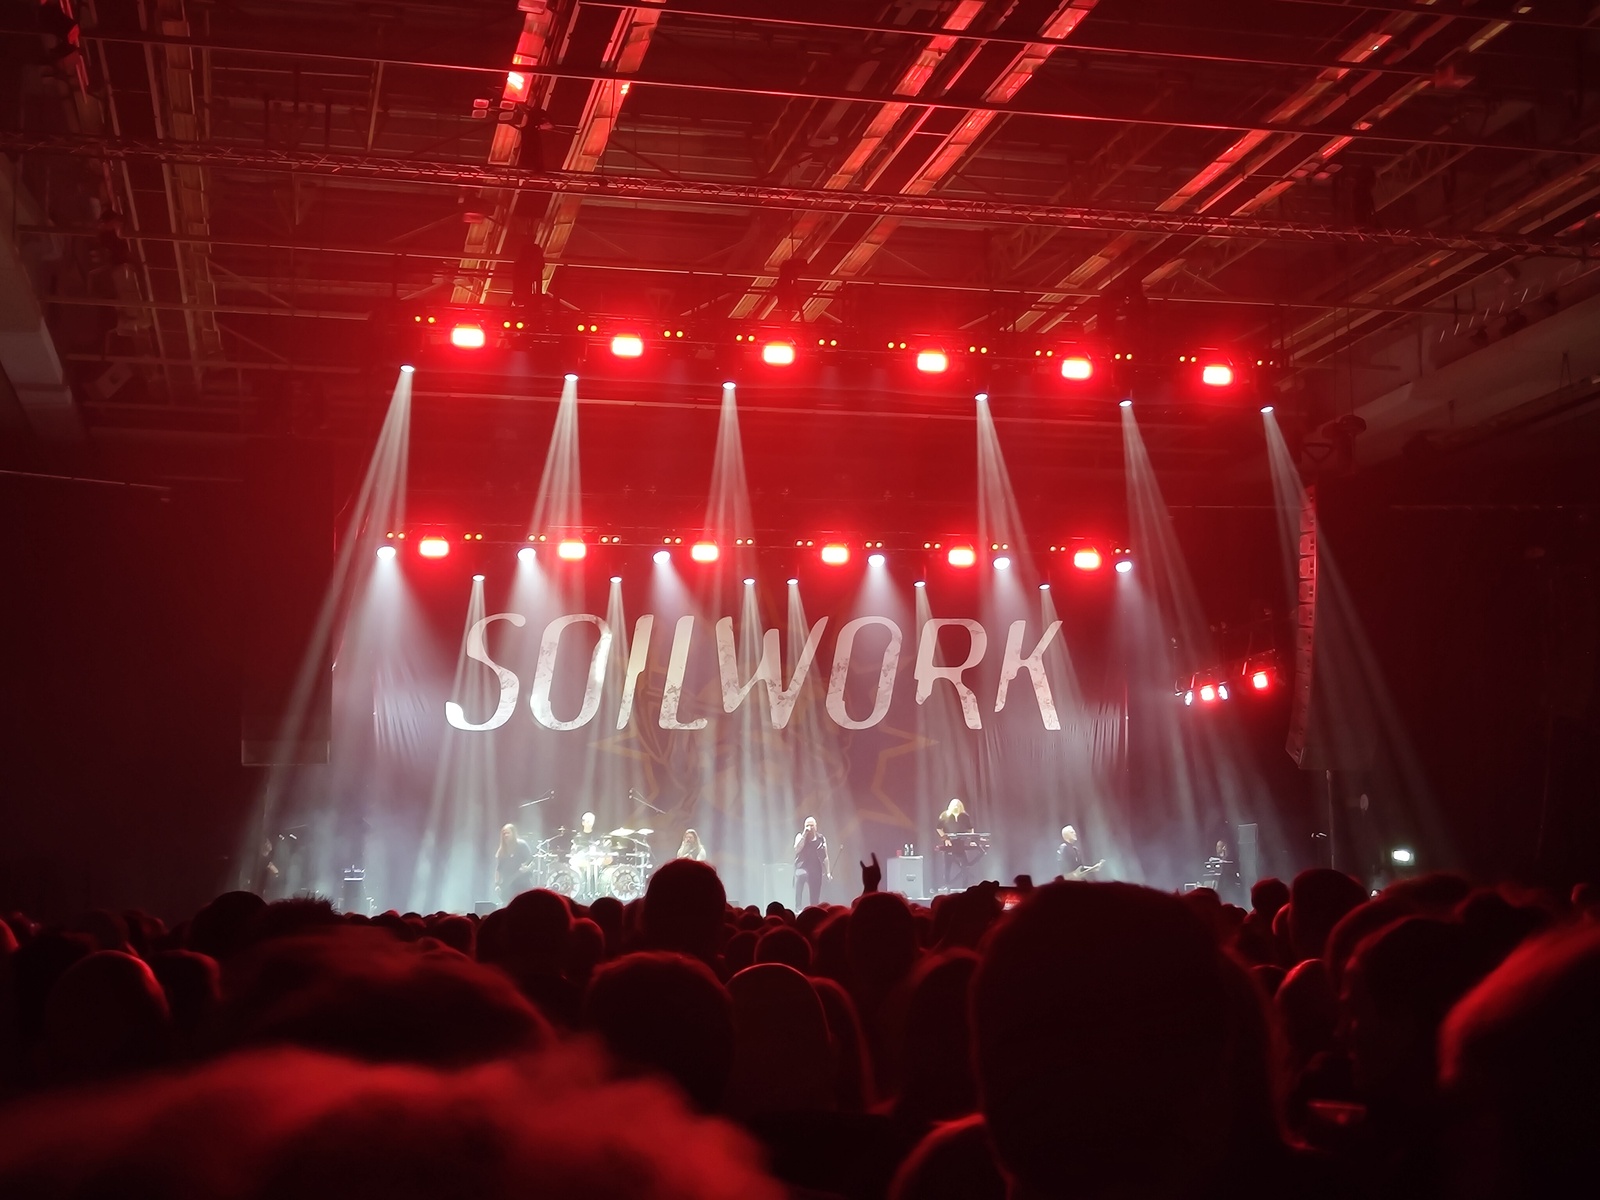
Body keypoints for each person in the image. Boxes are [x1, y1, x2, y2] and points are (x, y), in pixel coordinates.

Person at [936, 799, 976, 891]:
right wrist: (945, 838)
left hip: (960, 843)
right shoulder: (945, 815)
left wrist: (971, 839)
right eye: (954, 806)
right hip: (949, 843)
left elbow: (970, 828)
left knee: (964, 865)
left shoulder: (965, 816)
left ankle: (965, 886)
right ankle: (947, 884)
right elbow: (938, 828)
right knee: (947, 865)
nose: (956, 808)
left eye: (958, 806)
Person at [793, 816, 830, 911]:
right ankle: (798, 908)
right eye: (807, 825)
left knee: (815, 895)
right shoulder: (800, 836)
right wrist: (804, 834)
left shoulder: (821, 839)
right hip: (802, 867)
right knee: (800, 876)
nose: (809, 828)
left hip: (815, 869)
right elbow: (797, 849)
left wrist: (828, 872)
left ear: (816, 826)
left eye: (811, 825)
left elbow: (825, 856)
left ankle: (814, 909)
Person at [494, 824, 535, 902]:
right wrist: (497, 884)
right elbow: (498, 869)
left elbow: (531, 861)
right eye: (504, 833)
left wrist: (527, 868)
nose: (506, 835)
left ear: (513, 833)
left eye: (508, 833)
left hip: (523, 883)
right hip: (508, 886)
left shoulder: (522, 845)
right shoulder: (502, 850)